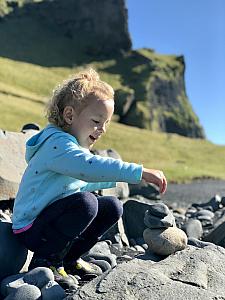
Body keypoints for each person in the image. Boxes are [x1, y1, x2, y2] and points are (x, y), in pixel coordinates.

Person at [12, 68, 167, 285]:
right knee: (86, 203)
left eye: (106, 123)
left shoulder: (72, 147)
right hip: (31, 228)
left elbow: (85, 178)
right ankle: (45, 260)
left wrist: (127, 178)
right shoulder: (58, 144)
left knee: (112, 206)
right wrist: (139, 172)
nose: (102, 129)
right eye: (96, 121)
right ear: (69, 115)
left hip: (48, 221)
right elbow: (89, 167)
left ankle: (68, 258)